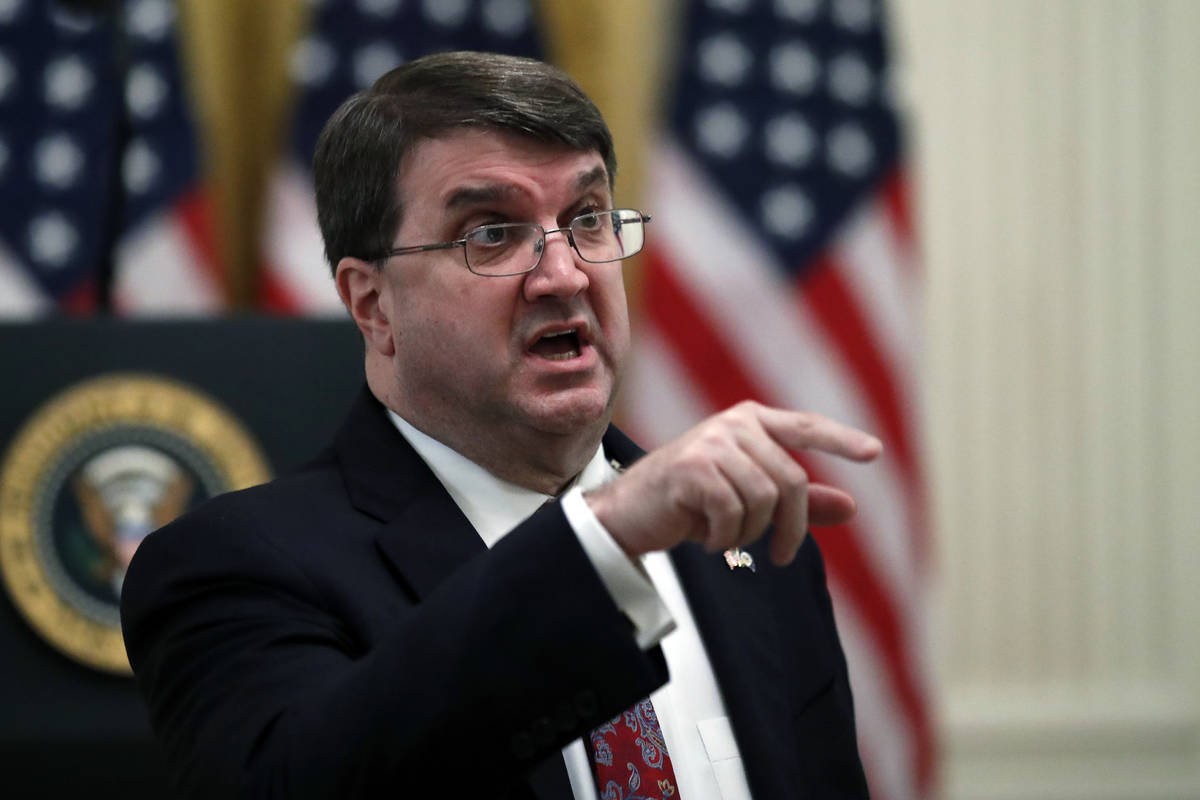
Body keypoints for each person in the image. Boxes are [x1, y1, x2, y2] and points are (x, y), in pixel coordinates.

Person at [121, 51, 878, 799]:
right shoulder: (234, 568)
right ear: (372, 305)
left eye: (587, 220)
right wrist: (599, 543)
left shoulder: (745, 548)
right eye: (491, 234)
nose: (565, 275)